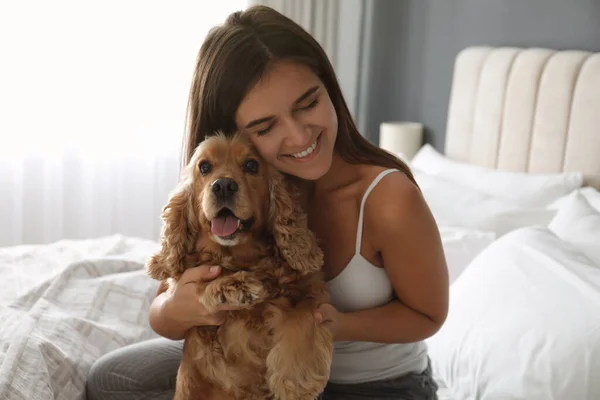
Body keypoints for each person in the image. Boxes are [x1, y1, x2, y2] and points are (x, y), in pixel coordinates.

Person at [86, 5, 448, 400]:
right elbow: (164, 311)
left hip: (377, 385)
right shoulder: (242, 188)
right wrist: (178, 307)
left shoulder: (390, 199)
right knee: (113, 380)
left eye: (308, 104)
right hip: (255, 366)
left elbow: (428, 315)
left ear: (329, 87)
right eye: (265, 127)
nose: (297, 136)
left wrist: (333, 324)